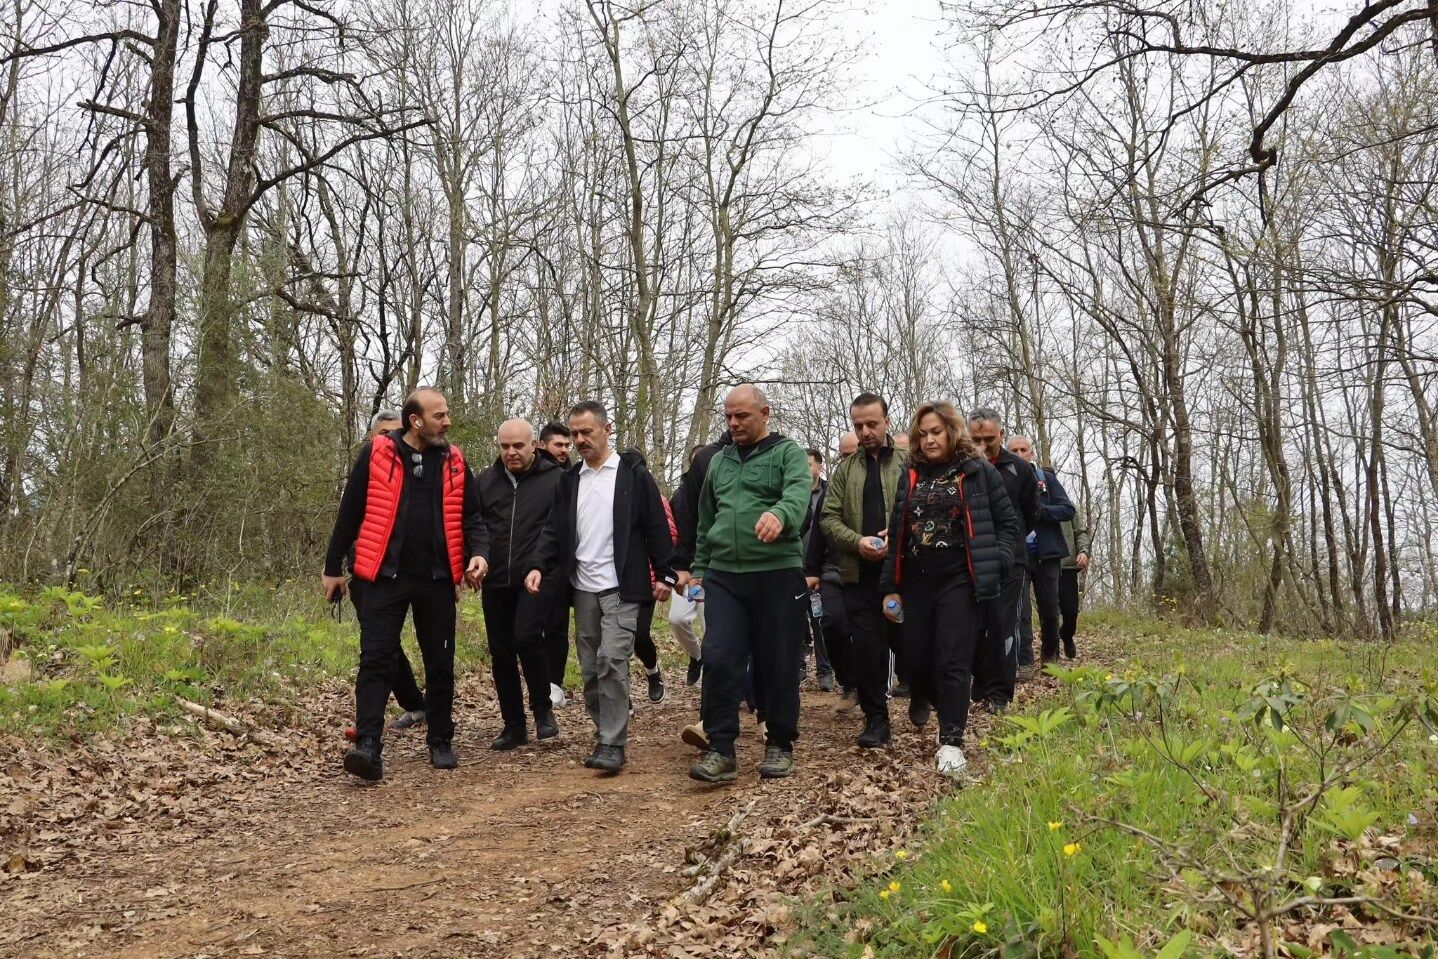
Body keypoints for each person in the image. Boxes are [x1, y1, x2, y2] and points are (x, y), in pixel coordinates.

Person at [323, 388, 488, 781]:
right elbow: (350, 513)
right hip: (383, 576)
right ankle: (368, 747)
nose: (447, 422)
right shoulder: (378, 453)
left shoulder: (455, 460)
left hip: (436, 579)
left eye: (447, 415)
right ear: (416, 420)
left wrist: (478, 554)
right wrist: (333, 568)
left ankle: (441, 740)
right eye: (440, 415)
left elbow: (474, 518)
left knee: (439, 661)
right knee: (376, 659)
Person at [526, 401, 677, 774]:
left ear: (606, 429)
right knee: (592, 666)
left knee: (612, 659)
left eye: (586, 432)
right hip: (583, 588)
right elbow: (554, 531)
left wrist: (667, 574)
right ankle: (603, 731)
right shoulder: (571, 480)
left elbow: (656, 525)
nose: (579, 440)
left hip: (623, 588)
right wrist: (537, 566)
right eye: (574, 434)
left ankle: (613, 743)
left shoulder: (631, 475)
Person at [881, 403, 1018, 776]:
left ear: (952, 432)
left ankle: (952, 743)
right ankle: (941, 704)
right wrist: (890, 587)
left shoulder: (978, 472)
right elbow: (897, 533)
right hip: (917, 579)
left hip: (961, 576)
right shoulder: (909, 475)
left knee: (953, 657)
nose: (928, 439)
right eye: (922, 433)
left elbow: (1009, 526)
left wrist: (996, 560)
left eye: (936, 432)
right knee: (915, 657)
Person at [687, 385, 812, 783]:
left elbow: (798, 491)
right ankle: (721, 749)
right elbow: (706, 519)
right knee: (719, 656)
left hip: (776, 572)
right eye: (728, 417)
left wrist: (780, 514)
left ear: (765, 413)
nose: (734, 423)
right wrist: (700, 567)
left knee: (777, 659)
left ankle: (779, 744)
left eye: (742, 416)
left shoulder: (786, 452)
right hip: (725, 575)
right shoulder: (718, 462)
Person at [819, 393, 913, 749]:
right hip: (858, 574)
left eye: (872, 423)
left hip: (905, 573)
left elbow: (924, 508)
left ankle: (919, 693)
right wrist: (857, 541)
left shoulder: (909, 461)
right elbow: (828, 518)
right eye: (858, 425)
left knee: (911, 642)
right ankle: (876, 719)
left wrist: (899, 535)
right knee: (868, 648)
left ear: (887, 421)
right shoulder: (845, 469)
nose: (865, 431)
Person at [477, 420, 564, 750]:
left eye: (518, 446)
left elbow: (559, 529)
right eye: (504, 446)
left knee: (527, 638)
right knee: (501, 652)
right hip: (496, 578)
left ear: (534, 446)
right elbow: (477, 527)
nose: (511, 452)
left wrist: (544, 565)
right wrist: (478, 557)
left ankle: (543, 710)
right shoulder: (485, 481)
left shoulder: (556, 479)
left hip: (538, 576)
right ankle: (513, 725)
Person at [342, 410, 426, 738]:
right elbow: (347, 521)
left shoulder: (414, 471)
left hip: (406, 573)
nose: (388, 438)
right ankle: (411, 706)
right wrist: (336, 566)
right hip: (365, 571)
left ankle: (417, 707)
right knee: (380, 645)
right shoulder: (365, 469)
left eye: (394, 432)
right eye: (382, 433)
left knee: (385, 645)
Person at [966, 409, 1039, 713]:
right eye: (976, 439)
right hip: (970, 559)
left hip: (1011, 561)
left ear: (1002, 434)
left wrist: (1011, 545)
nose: (983, 446)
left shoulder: (1020, 470)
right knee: (975, 625)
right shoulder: (962, 468)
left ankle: (1000, 694)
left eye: (990, 439)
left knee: (1003, 625)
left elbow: (1031, 514)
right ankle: (980, 683)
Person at [1006, 436, 1077, 672]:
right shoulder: (1001, 479)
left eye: (1023, 449)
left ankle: (1050, 657)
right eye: (1013, 450)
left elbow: (1067, 509)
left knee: (1049, 608)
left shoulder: (1046, 479)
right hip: (1018, 555)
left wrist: (1039, 511)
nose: (1018, 453)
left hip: (1047, 554)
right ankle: (1024, 661)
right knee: (1021, 611)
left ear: (1031, 453)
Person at [805, 432, 859, 704]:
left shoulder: (884, 480)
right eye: (844, 455)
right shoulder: (832, 489)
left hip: (868, 571)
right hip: (833, 569)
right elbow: (818, 530)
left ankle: (871, 688)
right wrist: (811, 570)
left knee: (865, 632)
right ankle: (848, 681)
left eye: (853, 453)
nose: (849, 460)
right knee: (832, 624)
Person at [536, 422, 575, 706]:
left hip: (561, 565)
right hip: (533, 561)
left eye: (567, 445)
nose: (564, 450)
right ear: (542, 444)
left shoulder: (571, 476)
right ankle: (540, 682)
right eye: (558, 445)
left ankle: (554, 684)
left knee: (557, 626)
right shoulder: (533, 476)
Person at [669, 444, 709, 687]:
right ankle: (697, 656)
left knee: (711, 627)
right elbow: (670, 534)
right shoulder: (680, 496)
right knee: (677, 619)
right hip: (684, 569)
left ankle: (716, 683)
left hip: (712, 570)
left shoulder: (720, 490)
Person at [799, 447, 833, 689]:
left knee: (820, 620)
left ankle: (825, 670)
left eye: (809, 464)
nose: (804, 468)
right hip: (793, 567)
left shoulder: (829, 493)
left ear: (819, 466)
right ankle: (798, 665)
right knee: (794, 621)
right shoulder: (792, 493)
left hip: (818, 568)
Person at [1058, 510, 1090, 659]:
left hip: (1067, 567)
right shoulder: (1033, 502)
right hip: (1044, 566)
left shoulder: (1067, 506)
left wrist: (1084, 551)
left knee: (1070, 611)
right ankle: (1051, 652)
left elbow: (1081, 532)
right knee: (1048, 613)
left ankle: (1067, 635)